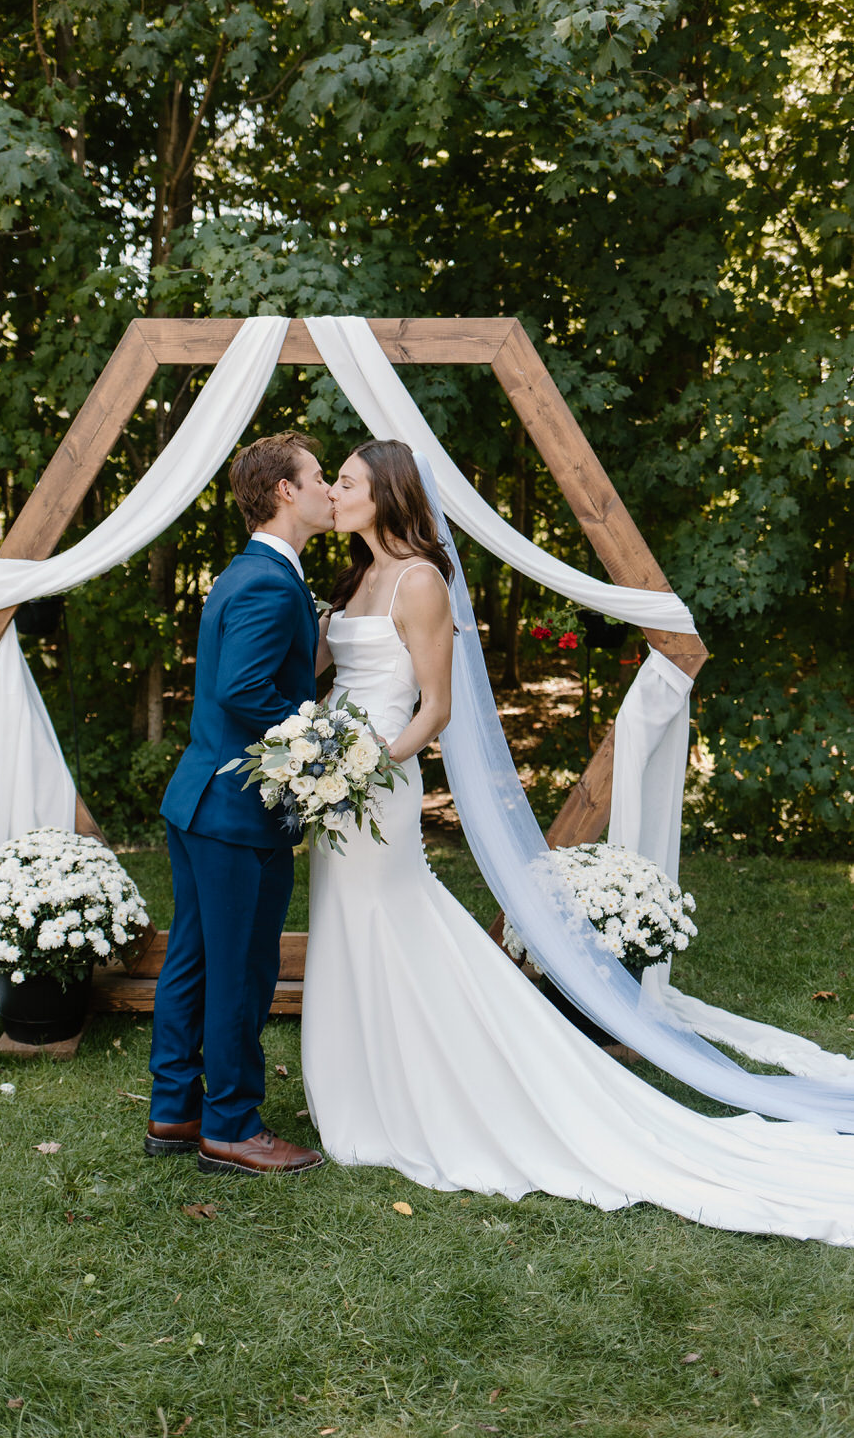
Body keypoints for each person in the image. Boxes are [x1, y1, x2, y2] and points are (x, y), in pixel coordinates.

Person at [301, 438, 854, 1245]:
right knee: (347, 926)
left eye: (345, 482)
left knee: (393, 920)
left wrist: (365, 768)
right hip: (333, 785)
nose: (334, 493)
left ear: (384, 494)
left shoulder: (420, 580)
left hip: (375, 787)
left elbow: (435, 709)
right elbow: (329, 671)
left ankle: (440, 1084)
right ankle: (366, 1084)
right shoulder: (353, 580)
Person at [148, 432, 332, 1176]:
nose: (328, 488)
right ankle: (230, 1126)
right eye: (318, 477)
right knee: (241, 970)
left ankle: (174, 1110)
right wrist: (322, 744)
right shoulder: (266, 581)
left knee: (192, 960)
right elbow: (245, 692)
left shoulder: (252, 572)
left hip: (200, 801)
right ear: (284, 491)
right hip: (233, 812)